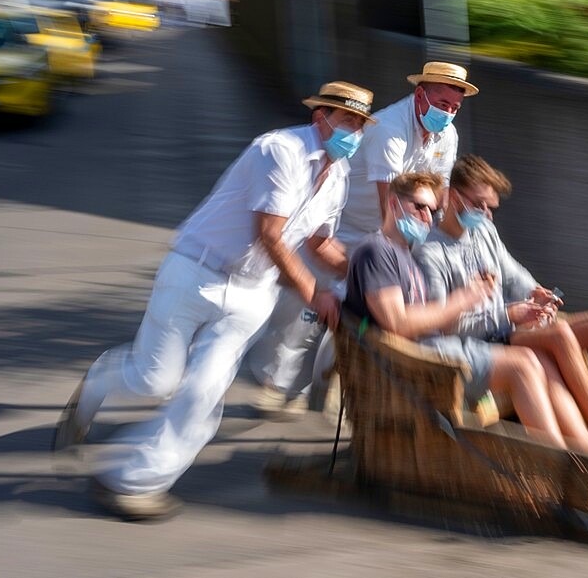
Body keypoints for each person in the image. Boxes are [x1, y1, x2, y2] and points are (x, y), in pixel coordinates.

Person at [51, 81, 377, 520]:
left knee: (203, 393)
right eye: (347, 121)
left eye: (360, 124)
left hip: (251, 295)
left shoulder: (337, 176)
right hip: (194, 272)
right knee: (155, 380)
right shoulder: (280, 150)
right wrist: (315, 294)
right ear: (321, 118)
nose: (354, 132)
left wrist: (365, 277)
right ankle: (98, 380)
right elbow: (271, 235)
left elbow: (320, 245)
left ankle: (130, 482)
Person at [248, 61, 478, 414]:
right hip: (344, 229)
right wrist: (405, 255)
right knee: (305, 312)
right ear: (420, 95)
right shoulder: (390, 129)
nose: (447, 113)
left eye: (454, 108)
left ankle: (326, 382)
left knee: (362, 316)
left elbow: (439, 193)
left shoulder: (448, 135)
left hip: (388, 236)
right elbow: (390, 204)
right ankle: (274, 382)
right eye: (442, 104)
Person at [345, 171, 588, 458]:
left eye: (432, 210)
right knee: (524, 364)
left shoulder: (403, 251)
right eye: (418, 207)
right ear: (394, 204)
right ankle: (557, 463)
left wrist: (515, 299)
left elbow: (509, 274)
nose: (426, 218)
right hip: (414, 357)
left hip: (438, 346)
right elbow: (397, 323)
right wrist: (465, 300)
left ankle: (583, 453)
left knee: (535, 359)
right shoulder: (377, 250)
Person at [413, 155, 588, 441]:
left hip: (511, 327)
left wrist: (536, 293)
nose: (486, 213)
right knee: (559, 333)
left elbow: (512, 274)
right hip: (484, 341)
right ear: (452, 197)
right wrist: (508, 314)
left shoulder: (483, 230)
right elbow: (444, 324)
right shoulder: (429, 252)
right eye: (478, 204)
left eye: (490, 207)